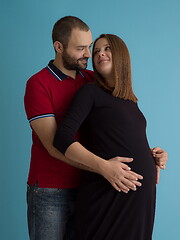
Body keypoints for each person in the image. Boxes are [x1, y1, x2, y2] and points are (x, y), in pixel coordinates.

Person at [24, 16, 167, 240]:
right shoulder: (38, 84)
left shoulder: (93, 79)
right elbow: (54, 145)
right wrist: (103, 167)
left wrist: (147, 157)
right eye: (81, 48)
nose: (89, 54)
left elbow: (112, 131)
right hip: (52, 191)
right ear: (58, 47)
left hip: (89, 186)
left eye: (89, 46)